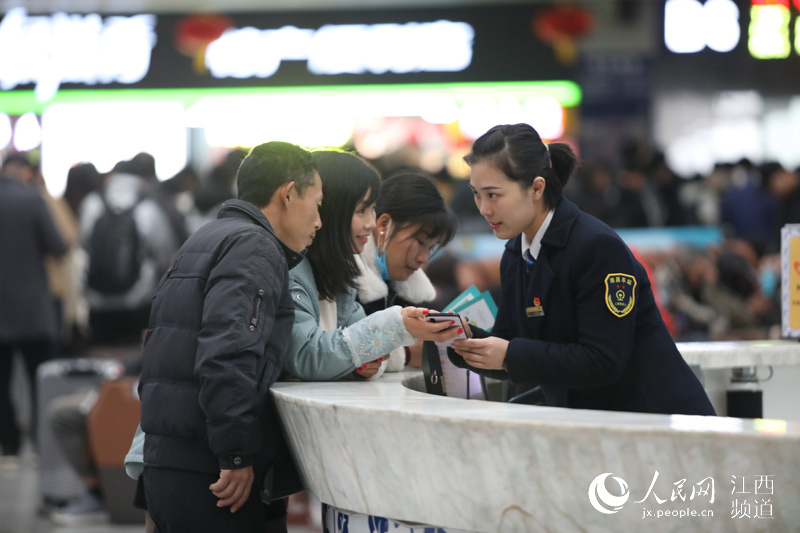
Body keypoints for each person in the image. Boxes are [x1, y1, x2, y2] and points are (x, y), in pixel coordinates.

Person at [448, 123, 715, 416]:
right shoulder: (516, 254)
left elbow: (602, 360)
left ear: (537, 187)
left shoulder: (595, 248)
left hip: (655, 424)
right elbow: (510, 346)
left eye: (493, 195)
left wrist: (509, 354)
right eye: (476, 194)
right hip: (595, 426)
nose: (483, 208)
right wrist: (456, 338)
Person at [136, 141, 323, 532]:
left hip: (171, 455)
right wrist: (235, 454)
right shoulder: (255, 248)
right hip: (209, 469)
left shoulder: (209, 236)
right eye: (317, 204)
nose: (319, 221)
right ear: (288, 194)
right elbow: (228, 354)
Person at [282, 150, 461, 382]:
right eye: (361, 211)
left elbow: (356, 338)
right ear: (327, 209)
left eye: (373, 209)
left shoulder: (340, 273)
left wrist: (367, 363)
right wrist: (398, 327)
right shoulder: (290, 270)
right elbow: (309, 356)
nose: (371, 223)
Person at [354, 168, 457, 369]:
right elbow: (337, 346)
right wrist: (406, 354)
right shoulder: (341, 274)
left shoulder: (412, 295)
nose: (423, 259)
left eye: (431, 248)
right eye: (419, 242)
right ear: (384, 224)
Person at [0, 156, 67, 464]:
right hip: (32, 307)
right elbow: (58, 245)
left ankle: (9, 446)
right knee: (39, 379)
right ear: (26, 173)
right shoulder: (31, 199)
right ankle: (43, 447)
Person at [78, 155, 185, 346]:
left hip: (96, 297)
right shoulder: (147, 207)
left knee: (101, 352)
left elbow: (84, 243)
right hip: (137, 298)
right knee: (136, 354)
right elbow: (164, 253)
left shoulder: (92, 203)